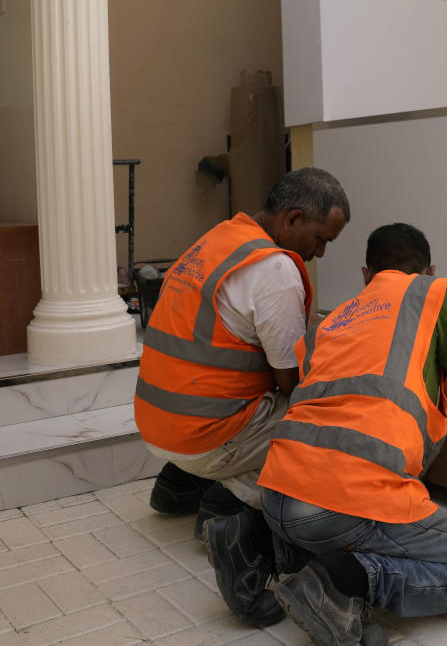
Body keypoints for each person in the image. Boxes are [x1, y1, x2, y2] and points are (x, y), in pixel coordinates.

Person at [206, 222, 447, 644]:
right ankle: (345, 585)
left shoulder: (331, 322)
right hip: (341, 501)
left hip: (277, 493)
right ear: (429, 270)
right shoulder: (434, 294)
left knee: (323, 524)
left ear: (366, 275)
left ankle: (257, 542)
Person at [134, 167, 349, 622]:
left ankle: (181, 483)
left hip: (159, 422)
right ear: (291, 220)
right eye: (320, 238)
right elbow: (290, 384)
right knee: (326, 421)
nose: (321, 253)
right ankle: (237, 518)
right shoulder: (274, 271)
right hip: (205, 434)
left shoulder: (219, 240)